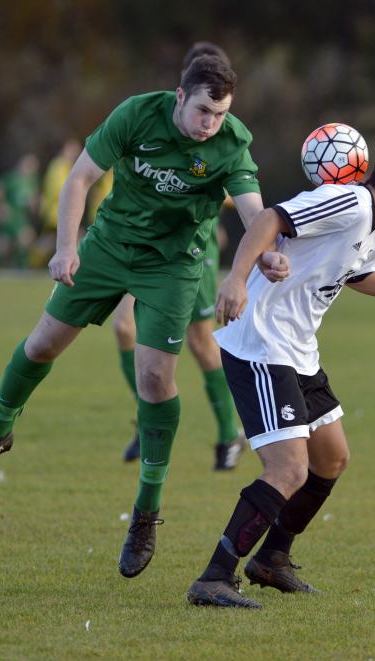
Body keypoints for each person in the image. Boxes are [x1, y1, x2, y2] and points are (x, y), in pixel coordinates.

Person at [0, 56, 285, 581]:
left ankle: (145, 513)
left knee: (155, 379)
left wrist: (261, 258)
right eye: (202, 111)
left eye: (219, 115)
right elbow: (80, 179)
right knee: (41, 345)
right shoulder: (136, 114)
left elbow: (251, 209)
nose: (209, 124)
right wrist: (65, 249)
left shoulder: (229, 142)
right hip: (108, 245)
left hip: (173, 266)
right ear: (179, 96)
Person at [187, 146, 375, 609]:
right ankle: (215, 576)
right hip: (262, 344)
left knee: (332, 459)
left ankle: (272, 560)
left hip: (299, 351)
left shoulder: (373, 225)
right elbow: (270, 219)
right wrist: (236, 279)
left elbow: (357, 274)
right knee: (288, 469)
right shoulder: (348, 203)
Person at [114, 42, 245, 470]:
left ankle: (229, 433)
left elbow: (232, 188)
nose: (208, 119)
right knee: (122, 326)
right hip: (144, 245)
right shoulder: (162, 123)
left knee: (201, 342)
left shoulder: (223, 137)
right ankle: (146, 418)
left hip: (192, 250)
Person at [29, 139, 82, 268]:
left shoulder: (64, 166)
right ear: (65, 148)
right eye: (73, 149)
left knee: (50, 242)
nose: (76, 153)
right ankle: (30, 264)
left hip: (58, 212)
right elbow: (61, 189)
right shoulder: (59, 166)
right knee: (76, 238)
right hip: (57, 212)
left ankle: (32, 264)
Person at [0, 153, 40, 268]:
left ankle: (17, 271)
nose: (31, 167)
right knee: (7, 244)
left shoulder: (32, 181)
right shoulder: (12, 178)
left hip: (21, 218)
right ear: (21, 164)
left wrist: (35, 205)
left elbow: (33, 200)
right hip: (10, 217)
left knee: (16, 242)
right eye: (29, 164)